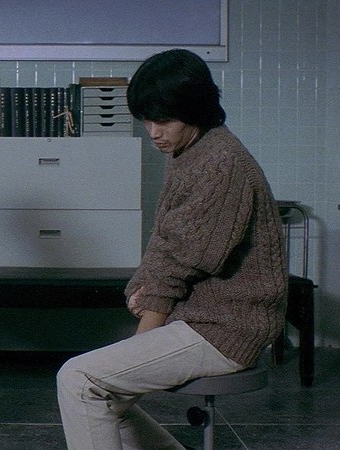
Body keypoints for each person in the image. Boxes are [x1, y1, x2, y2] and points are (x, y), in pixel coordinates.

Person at [56, 49, 288, 449]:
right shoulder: (192, 151)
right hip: (202, 318)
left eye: (163, 121)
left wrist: (146, 321)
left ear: (196, 111)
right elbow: (166, 240)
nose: (153, 132)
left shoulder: (221, 163)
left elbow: (182, 260)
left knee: (80, 381)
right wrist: (141, 288)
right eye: (147, 120)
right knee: (101, 394)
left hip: (228, 328)